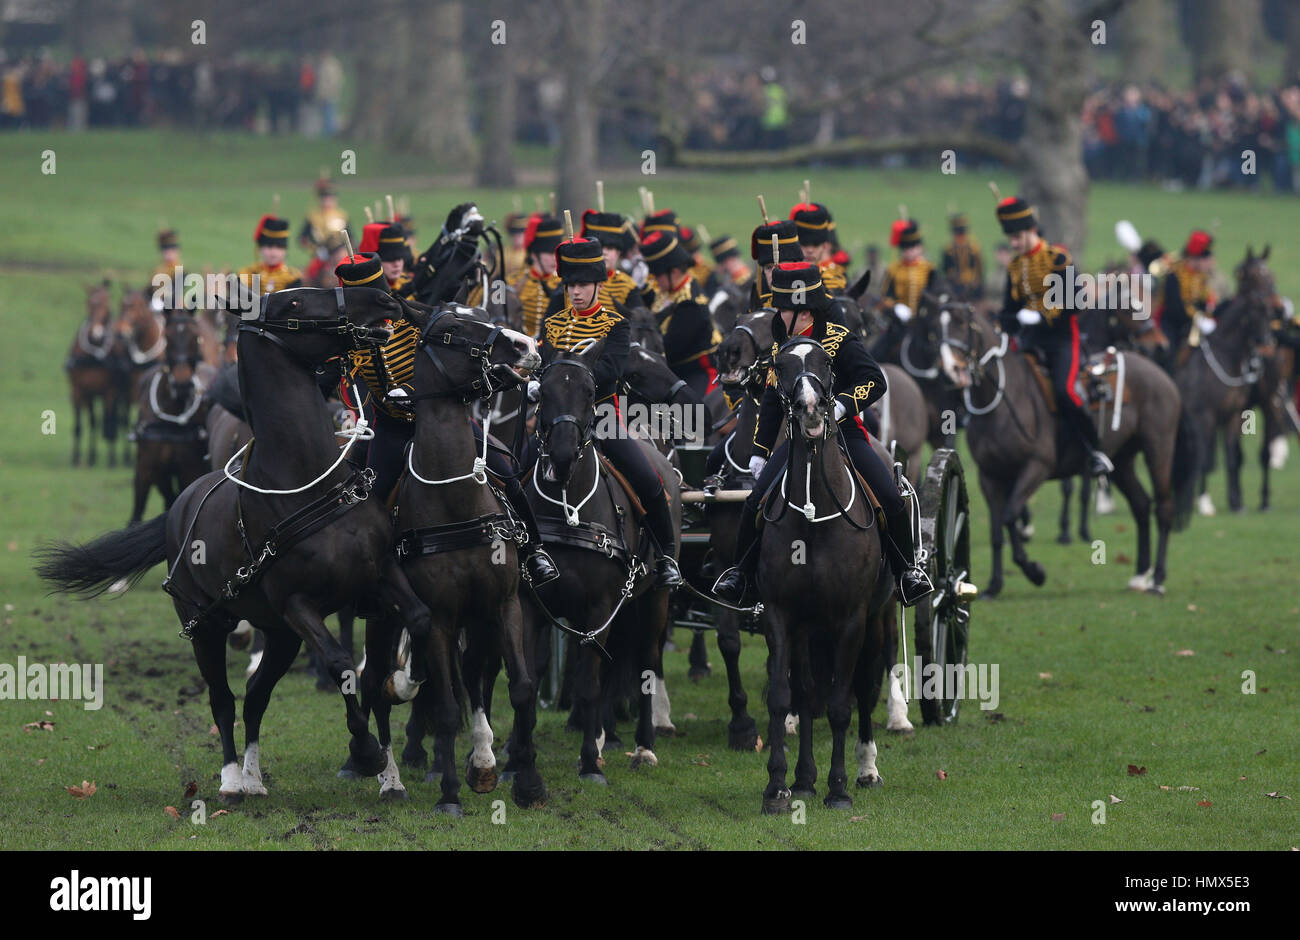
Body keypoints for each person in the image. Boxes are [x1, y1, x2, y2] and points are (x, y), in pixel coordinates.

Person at [711, 261, 934, 606]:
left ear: (799, 310)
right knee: (755, 502)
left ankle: (907, 572)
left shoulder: (839, 339)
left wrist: (843, 405)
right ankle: (741, 574)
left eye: (781, 307)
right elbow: (771, 400)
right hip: (796, 441)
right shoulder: (779, 348)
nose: (777, 313)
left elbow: (873, 379)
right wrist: (759, 450)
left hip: (845, 436)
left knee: (889, 497)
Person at [338, 252, 558, 586]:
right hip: (391, 427)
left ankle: (534, 551)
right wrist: (359, 407)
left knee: (504, 469)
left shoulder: (414, 319)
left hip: (440, 420)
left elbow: (453, 349)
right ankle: (371, 577)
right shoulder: (350, 337)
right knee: (372, 497)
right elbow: (343, 381)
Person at [529, 235, 682, 588]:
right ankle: (528, 550)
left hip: (603, 419)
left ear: (599, 283)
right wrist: (538, 382)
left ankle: (666, 557)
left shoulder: (616, 324)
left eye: (582, 284)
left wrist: (567, 382)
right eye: (570, 285)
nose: (576, 292)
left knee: (649, 479)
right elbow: (541, 364)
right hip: (553, 423)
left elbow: (610, 371)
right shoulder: (553, 324)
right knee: (513, 474)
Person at [995, 195, 1113, 477]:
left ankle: (1094, 450)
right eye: (1010, 237)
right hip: (1028, 342)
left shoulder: (1057, 259)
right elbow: (1008, 310)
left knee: (1065, 391)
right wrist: (1010, 323)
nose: (1013, 243)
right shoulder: (1014, 267)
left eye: (1017, 236)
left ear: (1032, 230)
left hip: (1061, 340)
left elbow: (1076, 301)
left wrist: (1042, 315)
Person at [641, 229, 721, 398]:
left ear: (674, 272)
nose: (654, 279)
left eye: (657, 275)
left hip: (699, 373)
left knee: (691, 418)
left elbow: (668, 349)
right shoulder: (668, 290)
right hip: (674, 373)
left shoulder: (691, 303)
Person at [872, 220, 941, 359]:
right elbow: (885, 297)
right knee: (877, 352)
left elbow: (936, 296)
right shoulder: (893, 270)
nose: (910, 251)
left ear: (920, 248)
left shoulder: (929, 269)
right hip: (901, 323)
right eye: (906, 248)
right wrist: (897, 307)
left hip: (924, 322)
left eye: (913, 247)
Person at [1156, 229, 1217, 369]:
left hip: (1192, 323)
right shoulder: (1174, 275)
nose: (1211, 263)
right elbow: (1174, 307)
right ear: (1195, 258)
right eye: (1206, 259)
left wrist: (1209, 314)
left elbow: (1203, 301)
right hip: (1172, 324)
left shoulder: (1201, 277)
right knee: (1168, 352)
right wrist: (1197, 318)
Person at [508, 214, 564, 340]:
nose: (554, 259)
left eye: (557, 254)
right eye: (549, 253)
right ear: (534, 254)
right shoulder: (512, 282)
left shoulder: (564, 284)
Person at [579, 208, 646, 311]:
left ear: (618, 253)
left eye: (609, 248)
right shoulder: (573, 284)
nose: (604, 252)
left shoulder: (627, 286)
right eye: (600, 247)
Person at [790, 201, 847, 293]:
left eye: (816, 245)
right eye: (804, 244)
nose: (810, 250)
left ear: (824, 246)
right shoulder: (784, 278)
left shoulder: (834, 282)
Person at [238, 216, 304, 295]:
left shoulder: (293, 278)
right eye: (269, 247)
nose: (274, 253)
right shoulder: (247, 274)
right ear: (260, 249)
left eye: (279, 248)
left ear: (285, 250)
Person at [298, 175, 349, 258]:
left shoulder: (342, 215)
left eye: (330, 198)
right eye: (325, 198)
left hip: (339, 253)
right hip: (319, 254)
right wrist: (314, 248)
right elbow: (302, 239)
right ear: (320, 199)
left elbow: (350, 238)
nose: (327, 201)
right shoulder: (312, 216)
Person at [941, 212, 984, 302]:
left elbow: (979, 271)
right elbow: (946, 270)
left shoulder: (974, 248)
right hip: (955, 289)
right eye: (957, 234)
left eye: (961, 234)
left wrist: (975, 285)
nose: (959, 238)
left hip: (972, 289)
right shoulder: (948, 250)